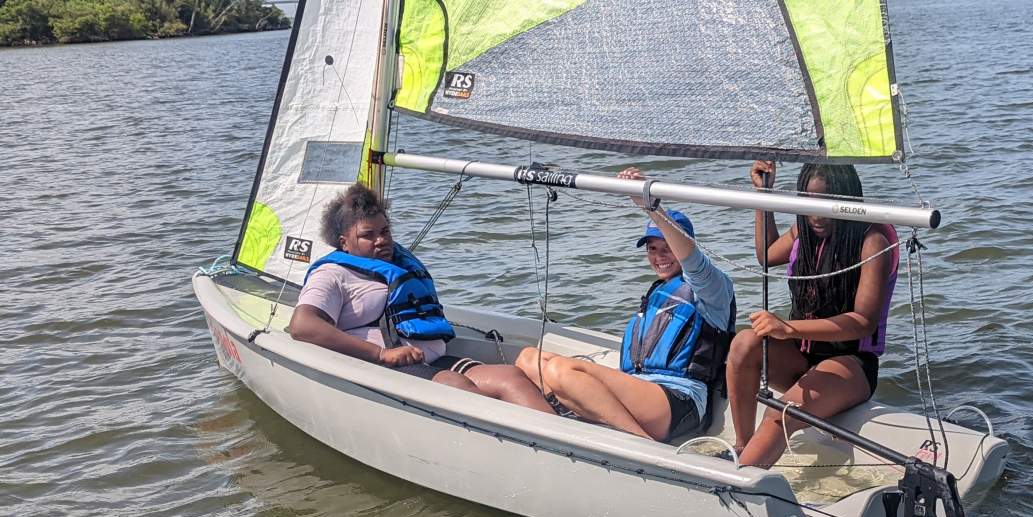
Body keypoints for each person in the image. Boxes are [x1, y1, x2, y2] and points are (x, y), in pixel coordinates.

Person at [288, 183, 554, 414]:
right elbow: (303, 325)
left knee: (511, 377)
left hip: (431, 359)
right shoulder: (332, 274)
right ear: (344, 243)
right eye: (368, 235)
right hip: (380, 367)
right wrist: (381, 353)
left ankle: (556, 444)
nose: (381, 240)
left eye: (385, 231)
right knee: (458, 387)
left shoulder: (400, 264)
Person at [515, 167, 736, 442]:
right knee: (528, 359)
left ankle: (641, 445)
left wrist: (649, 204)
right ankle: (573, 425)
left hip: (679, 402)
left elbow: (692, 259)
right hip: (642, 393)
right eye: (652, 249)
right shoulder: (659, 292)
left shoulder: (711, 288)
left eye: (666, 247)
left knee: (561, 371)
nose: (659, 256)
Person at [726, 160, 900, 468]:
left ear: (847, 200)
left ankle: (739, 483)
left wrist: (789, 329)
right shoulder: (805, 229)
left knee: (780, 412)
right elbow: (766, 255)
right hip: (803, 356)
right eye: (808, 202)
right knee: (743, 343)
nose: (816, 215)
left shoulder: (873, 242)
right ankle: (742, 447)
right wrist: (764, 195)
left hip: (851, 364)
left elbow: (863, 322)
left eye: (827, 204)